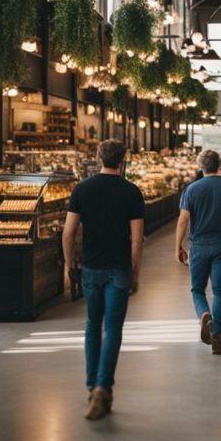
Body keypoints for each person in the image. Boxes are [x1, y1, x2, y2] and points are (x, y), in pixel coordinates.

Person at [62, 140, 145, 421]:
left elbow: (68, 232)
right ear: (123, 159)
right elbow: (136, 240)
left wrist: (68, 265)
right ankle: (103, 387)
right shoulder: (132, 192)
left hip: (91, 268)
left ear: (98, 158)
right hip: (119, 268)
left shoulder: (82, 189)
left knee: (92, 325)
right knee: (113, 328)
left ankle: (91, 385)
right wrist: (135, 272)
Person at [176, 148, 221, 355]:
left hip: (198, 245)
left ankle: (204, 314)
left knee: (197, 289)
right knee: (219, 291)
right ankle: (216, 335)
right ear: (218, 165)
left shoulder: (192, 189)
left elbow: (183, 220)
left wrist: (178, 246)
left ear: (201, 166)